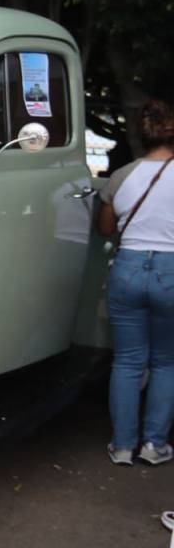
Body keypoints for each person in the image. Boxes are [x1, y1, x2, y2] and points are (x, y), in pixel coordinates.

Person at [97, 98, 174, 467]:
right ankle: (154, 445)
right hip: (171, 272)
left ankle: (123, 446)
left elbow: (106, 228)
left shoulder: (121, 176)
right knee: (166, 363)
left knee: (127, 362)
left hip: (127, 267)